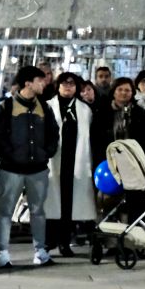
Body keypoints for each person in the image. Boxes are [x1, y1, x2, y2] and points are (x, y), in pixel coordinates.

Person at [0, 66, 60, 267]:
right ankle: (3, 253)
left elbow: (54, 134)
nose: (44, 83)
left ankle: (40, 251)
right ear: (28, 83)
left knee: (38, 211)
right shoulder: (5, 106)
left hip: (38, 169)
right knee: (5, 211)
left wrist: (46, 152)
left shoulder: (44, 107)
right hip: (11, 169)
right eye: (40, 80)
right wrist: (9, 153)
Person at [46, 73, 97, 257]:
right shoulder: (48, 106)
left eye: (72, 84)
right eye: (64, 83)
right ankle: (48, 241)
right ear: (58, 86)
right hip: (53, 160)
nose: (68, 87)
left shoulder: (84, 110)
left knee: (69, 204)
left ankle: (64, 242)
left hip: (75, 162)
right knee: (51, 203)